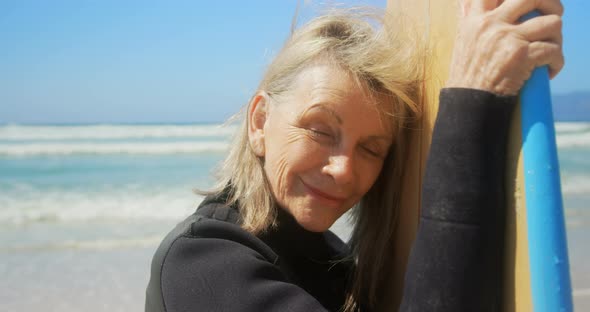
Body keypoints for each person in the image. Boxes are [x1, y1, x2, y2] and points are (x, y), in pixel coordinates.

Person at [146, 0, 564, 311]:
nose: (345, 169)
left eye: (371, 149)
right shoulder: (202, 264)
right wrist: (474, 103)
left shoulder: (329, 258)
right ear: (259, 122)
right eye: (319, 129)